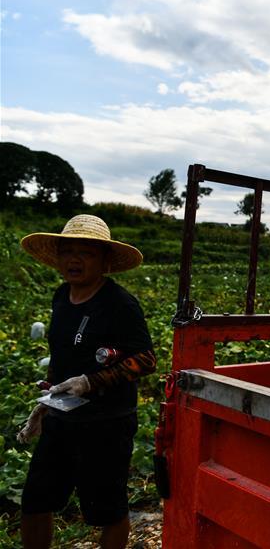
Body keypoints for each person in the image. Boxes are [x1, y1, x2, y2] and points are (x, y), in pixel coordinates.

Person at [16, 215, 157, 549]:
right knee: (36, 500)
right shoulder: (62, 297)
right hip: (62, 420)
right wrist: (47, 399)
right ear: (58, 257)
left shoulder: (120, 304)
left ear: (105, 261)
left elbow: (147, 359)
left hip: (106, 424)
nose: (74, 260)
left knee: (107, 509)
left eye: (87, 253)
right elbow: (62, 355)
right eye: (68, 251)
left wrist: (91, 382)